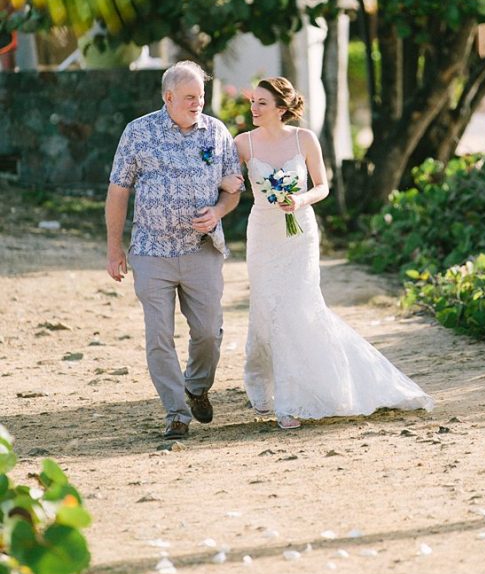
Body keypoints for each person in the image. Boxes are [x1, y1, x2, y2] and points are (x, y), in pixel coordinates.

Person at [223, 77, 433, 430]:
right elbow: (227, 180)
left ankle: (290, 400)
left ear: (280, 108)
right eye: (253, 102)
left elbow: (322, 186)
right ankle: (260, 382)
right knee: (265, 306)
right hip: (263, 232)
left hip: (299, 231)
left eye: (261, 103)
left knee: (298, 307)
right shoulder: (242, 144)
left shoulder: (304, 139)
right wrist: (230, 185)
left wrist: (298, 200)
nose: (253, 109)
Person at [105, 61, 242, 440]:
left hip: (202, 250)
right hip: (151, 252)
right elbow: (118, 191)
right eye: (189, 97)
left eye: (201, 96)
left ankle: (196, 387)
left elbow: (234, 190)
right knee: (159, 336)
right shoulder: (138, 132)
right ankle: (175, 413)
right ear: (168, 97)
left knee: (208, 334)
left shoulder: (216, 132)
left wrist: (217, 210)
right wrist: (114, 248)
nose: (198, 103)